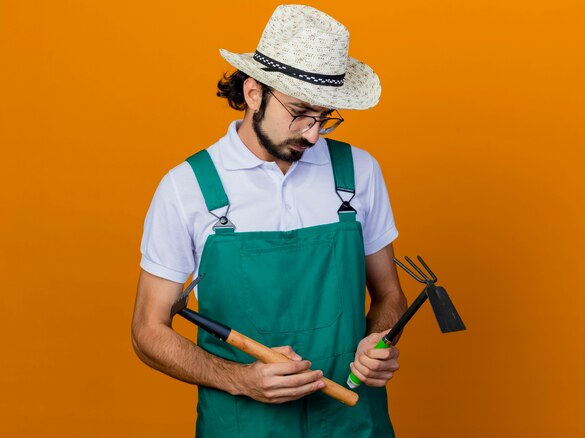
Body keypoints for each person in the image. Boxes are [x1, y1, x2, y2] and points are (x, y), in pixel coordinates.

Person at [132, 4, 407, 437]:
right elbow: (148, 331)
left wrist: (381, 338)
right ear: (254, 92)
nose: (312, 134)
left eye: (324, 117)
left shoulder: (359, 172)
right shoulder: (186, 187)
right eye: (299, 112)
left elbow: (389, 293)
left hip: (352, 424)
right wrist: (239, 380)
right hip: (242, 426)